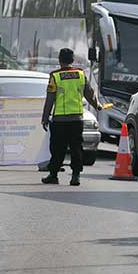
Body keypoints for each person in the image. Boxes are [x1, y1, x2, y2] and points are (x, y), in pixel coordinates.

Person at [41, 48, 101, 186]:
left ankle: (53, 175)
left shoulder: (55, 76)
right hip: (77, 120)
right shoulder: (80, 74)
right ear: (72, 60)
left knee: (57, 148)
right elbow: (89, 94)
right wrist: (97, 105)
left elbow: (50, 99)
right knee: (76, 148)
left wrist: (45, 117)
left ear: (59, 60)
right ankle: (75, 176)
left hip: (60, 120)